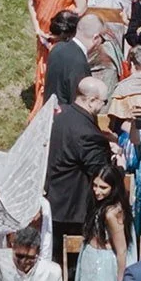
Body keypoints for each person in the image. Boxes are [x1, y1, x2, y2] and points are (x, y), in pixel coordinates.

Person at [44, 77, 113, 246]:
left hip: (53, 200)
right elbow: (100, 172)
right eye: (103, 102)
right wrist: (115, 160)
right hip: (72, 210)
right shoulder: (87, 133)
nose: (103, 106)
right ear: (91, 101)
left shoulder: (59, 115)